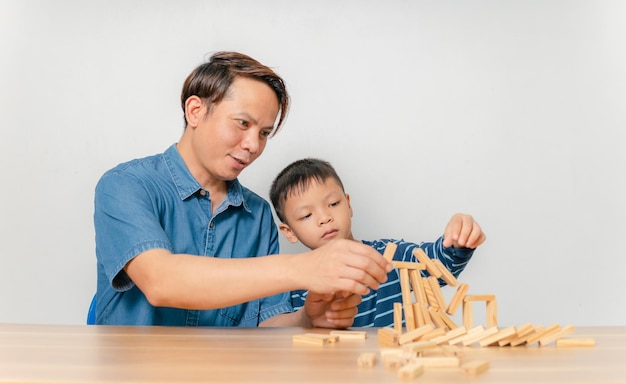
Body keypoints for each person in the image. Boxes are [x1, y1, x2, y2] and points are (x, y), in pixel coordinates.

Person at [93, 51, 392, 328]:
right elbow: (161, 282)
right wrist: (303, 267)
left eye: (264, 133)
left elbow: (263, 328)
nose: (253, 145)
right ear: (195, 111)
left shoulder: (258, 214)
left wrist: (306, 318)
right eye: (242, 123)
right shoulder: (125, 186)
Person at [269, 158, 486, 327]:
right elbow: (282, 337)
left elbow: (439, 265)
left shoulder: (389, 256)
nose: (324, 218)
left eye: (333, 203)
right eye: (306, 215)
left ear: (348, 204)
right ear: (289, 232)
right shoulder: (295, 283)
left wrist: (459, 240)